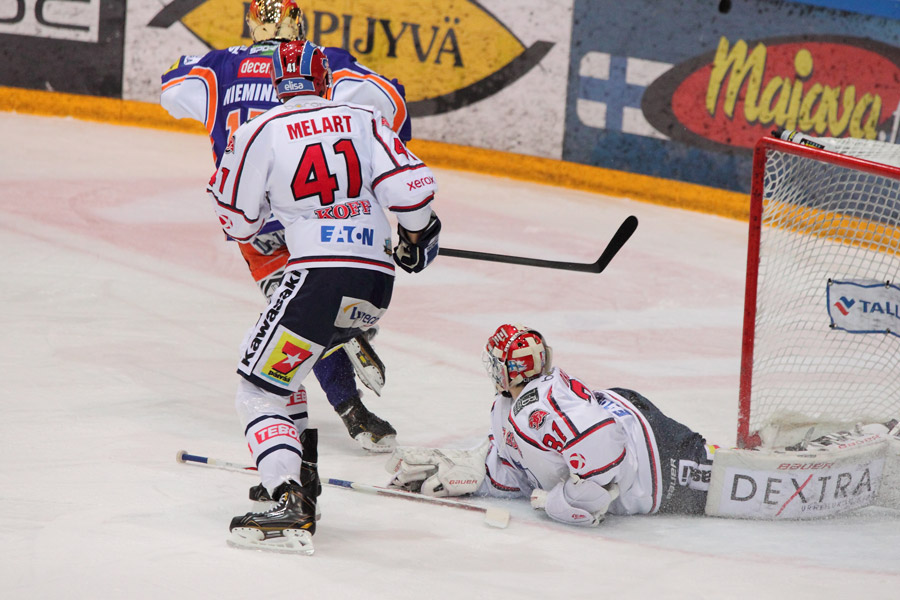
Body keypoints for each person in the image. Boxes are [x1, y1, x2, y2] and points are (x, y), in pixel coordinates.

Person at [214, 38, 440, 553]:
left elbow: (238, 223)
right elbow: (413, 194)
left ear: (277, 83)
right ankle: (301, 479)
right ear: (325, 81)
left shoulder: (259, 131)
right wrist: (414, 239)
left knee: (258, 391)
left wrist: (271, 201)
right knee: (284, 375)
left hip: (315, 278)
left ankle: (289, 501)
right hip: (375, 283)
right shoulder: (360, 118)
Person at [160, 0, 410, 452]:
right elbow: (391, 100)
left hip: (254, 217)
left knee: (294, 313)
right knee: (324, 300)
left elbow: (171, 89)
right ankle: (346, 349)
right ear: (299, 25)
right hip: (319, 211)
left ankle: (344, 399)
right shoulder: (324, 61)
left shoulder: (218, 65)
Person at [386, 324, 718, 526]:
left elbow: (603, 450)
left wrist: (569, 502)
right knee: (712, 463)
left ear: (507, 370)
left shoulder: (536, 407)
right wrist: (479, 475)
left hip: (659, 463)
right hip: (636, 424)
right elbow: (527, 468)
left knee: (724, 481)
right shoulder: (509, 406)